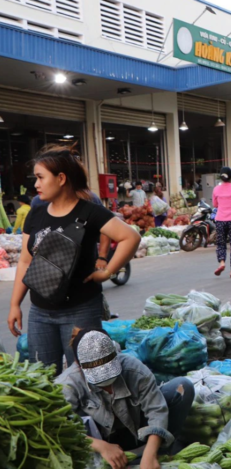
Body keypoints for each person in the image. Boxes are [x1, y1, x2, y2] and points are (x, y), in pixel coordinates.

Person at [7, 145, 140, 374]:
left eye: (40, 177)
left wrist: (107, 272)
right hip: (40, 312)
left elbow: (131, 237)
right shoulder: (36, 213)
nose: (36, 184)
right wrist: (14, 304)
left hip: (80, 311)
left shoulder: (89, 212)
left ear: (60, 178)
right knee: (44, 378)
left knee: (85, 376)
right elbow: (26, 262)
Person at [57, 329, 194, 469]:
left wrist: (150, 453)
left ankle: (157, 453)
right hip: (99, 441)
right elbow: (58, 426)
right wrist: (100, 446)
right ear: (78, 364)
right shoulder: (68, 384)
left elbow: (156, 409)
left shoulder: (133, 369)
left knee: (182, 388)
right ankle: (111, 463)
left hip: (136, 431)